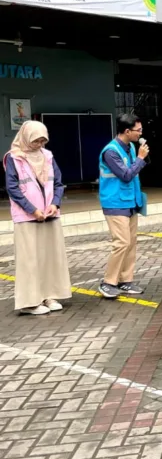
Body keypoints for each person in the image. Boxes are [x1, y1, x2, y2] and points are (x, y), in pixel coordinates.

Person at [4, 121, 71, 315]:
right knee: (29, 260)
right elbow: (13, 188)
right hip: (27, 217)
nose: (39, 144)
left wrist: (54, 204)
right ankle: (29, 302)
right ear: (26, 137)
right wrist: (32, 210)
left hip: (49, 214)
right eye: (35, 140)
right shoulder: (13, 158)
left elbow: (58, 183)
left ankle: (49, 295)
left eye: (43, 140)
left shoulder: (48, 156)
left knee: (49, 258)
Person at [98, 113, 148, 300]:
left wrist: (141, 157)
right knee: (122, 243)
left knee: (131, 243)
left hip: (131, 202)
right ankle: (108, 282)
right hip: (115, 202)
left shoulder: (131, 148)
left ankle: (126, 281)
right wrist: (141, 158)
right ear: (127, 131)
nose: (140, 133)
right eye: (138, 130)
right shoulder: (110, 151)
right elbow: (125, 175)